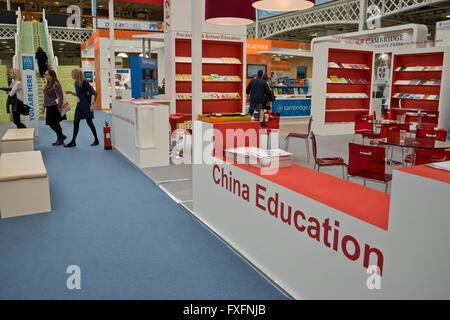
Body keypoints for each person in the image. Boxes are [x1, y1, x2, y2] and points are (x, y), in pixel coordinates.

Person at [64, 69, 99, 147]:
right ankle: (73, 141)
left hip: (86, 105)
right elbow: (79, 95)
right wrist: (71, 92)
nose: (71, 74)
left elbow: (93, 93)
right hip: (79, 106)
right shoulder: (76, 83)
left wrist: (92, 104)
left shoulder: (84, 82)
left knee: (89, 123)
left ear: (76, 74)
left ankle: (96, 140)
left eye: (72, 73)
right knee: (75, 122)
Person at [43, 69, 67, 146]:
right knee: (51, 124)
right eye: (45, 74)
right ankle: (61, 137)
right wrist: (44, 106)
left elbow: (60, 96)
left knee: (55, 123)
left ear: (51, 76)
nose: (45, 76)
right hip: (49, 107)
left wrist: (59, 107)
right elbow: (45, 97)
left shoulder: (56, 84)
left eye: (47, 74)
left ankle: (60, 139)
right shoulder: (48, 84)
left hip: (55, 107)